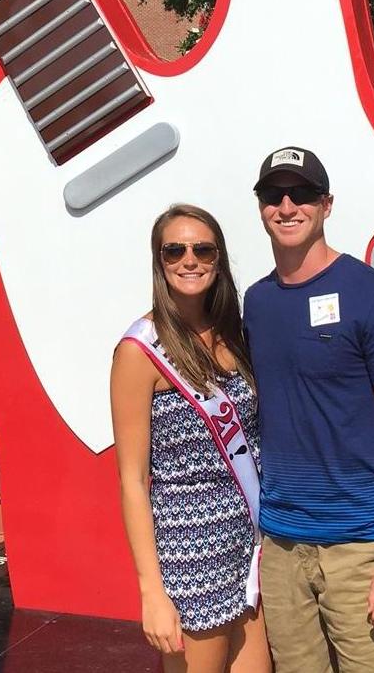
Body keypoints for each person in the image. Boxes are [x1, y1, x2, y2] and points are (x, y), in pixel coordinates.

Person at [242, 146, 374, 672]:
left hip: (364, 550)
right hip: (283, 549)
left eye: (302, 194)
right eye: (273, 195)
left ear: (326, 205)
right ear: (260, 206)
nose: (287, 206)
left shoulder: (373, 297)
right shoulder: (256, 304)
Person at [111, 204, 272, 673]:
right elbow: (132, 481)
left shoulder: (232, 334)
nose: (190, 260)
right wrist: (152, 593)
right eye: (174, 250)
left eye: (203, 249)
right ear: (158, 261)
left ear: (218, 259)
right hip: (190, 556)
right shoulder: (139, 352)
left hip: (249, 545)